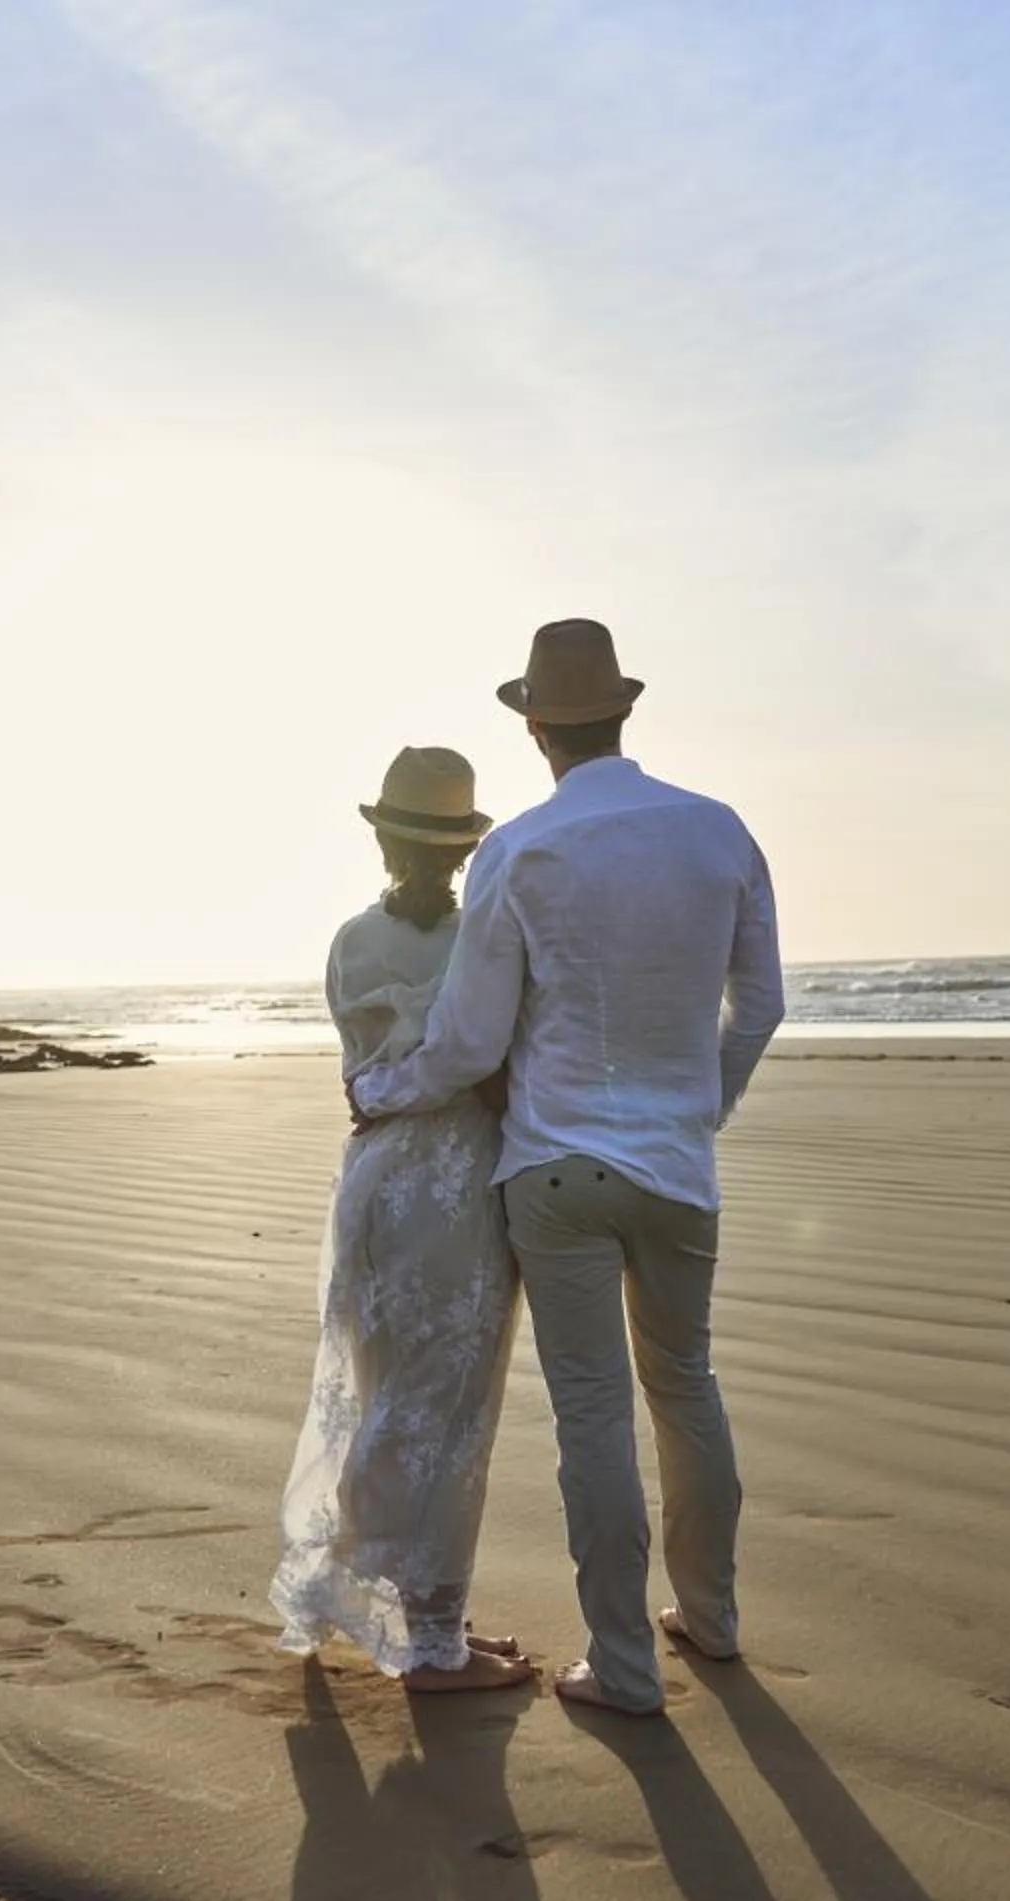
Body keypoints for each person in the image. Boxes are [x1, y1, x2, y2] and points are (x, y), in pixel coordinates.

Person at [350, 619, 785, 1715]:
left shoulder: (520, 851)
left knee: (594, 1412)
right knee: (686, 1387)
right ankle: (716, 1618)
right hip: (678, 1169)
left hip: (552, 1171)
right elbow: (763, 1003)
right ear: (625, 711)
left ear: (534, 723)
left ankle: (626, 1666)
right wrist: (702, 1105)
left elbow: (469, 1043)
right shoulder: (719, 830)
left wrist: (384, 1091)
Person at [269, 746, 536, 1692]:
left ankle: (374, 1600)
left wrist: (389, 1090)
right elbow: (497, 1066)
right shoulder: (485, 937)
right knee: (447, 1408)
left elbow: (360, 1073)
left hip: (373, 1175)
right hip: (456, 1179)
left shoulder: (350, 940)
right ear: (465, 850)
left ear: (383, 836)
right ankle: (433, 1641)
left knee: (382, 1389)